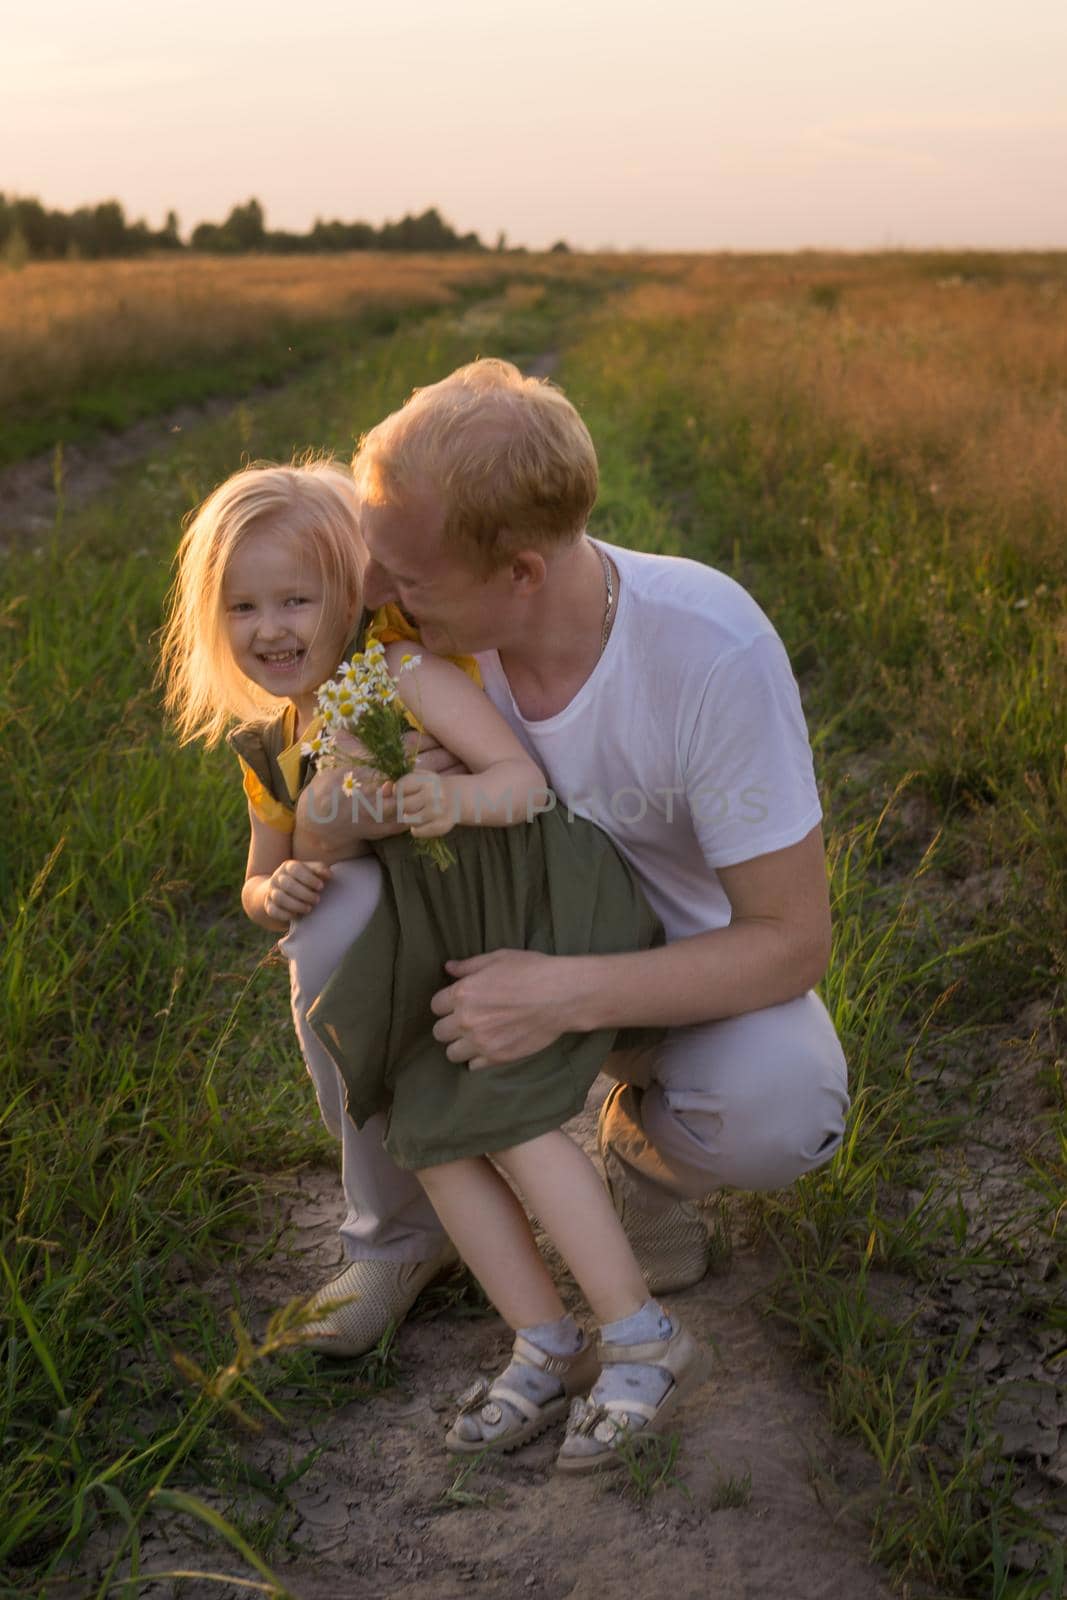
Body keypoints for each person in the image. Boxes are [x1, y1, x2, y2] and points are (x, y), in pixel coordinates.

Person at [287, 360, 851, 1365]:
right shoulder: (409, 644)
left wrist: (557, 996)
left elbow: (790, 939)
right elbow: (308, 835)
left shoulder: (707, 648)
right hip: (467, 955)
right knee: (332, 915)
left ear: (520, 573)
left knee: (782, 1102)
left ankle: (644, 1157)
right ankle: (401, 1233)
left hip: (661, 977)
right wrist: (354, 802)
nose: (373, 592)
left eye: (407, 577)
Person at [157, 458, 711, 1471]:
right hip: (432, 956)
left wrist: (448, 800)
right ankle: (546, 1342)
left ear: (354, 592)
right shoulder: (272, 746)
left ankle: (642, 1333)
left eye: (296, 597)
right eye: (243, 606)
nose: (270, 626)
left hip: (522, 922)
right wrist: (266, 895)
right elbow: (258, 875)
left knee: (509, 1116)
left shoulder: (402, 678)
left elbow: (517, 784)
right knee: (428, 1128)